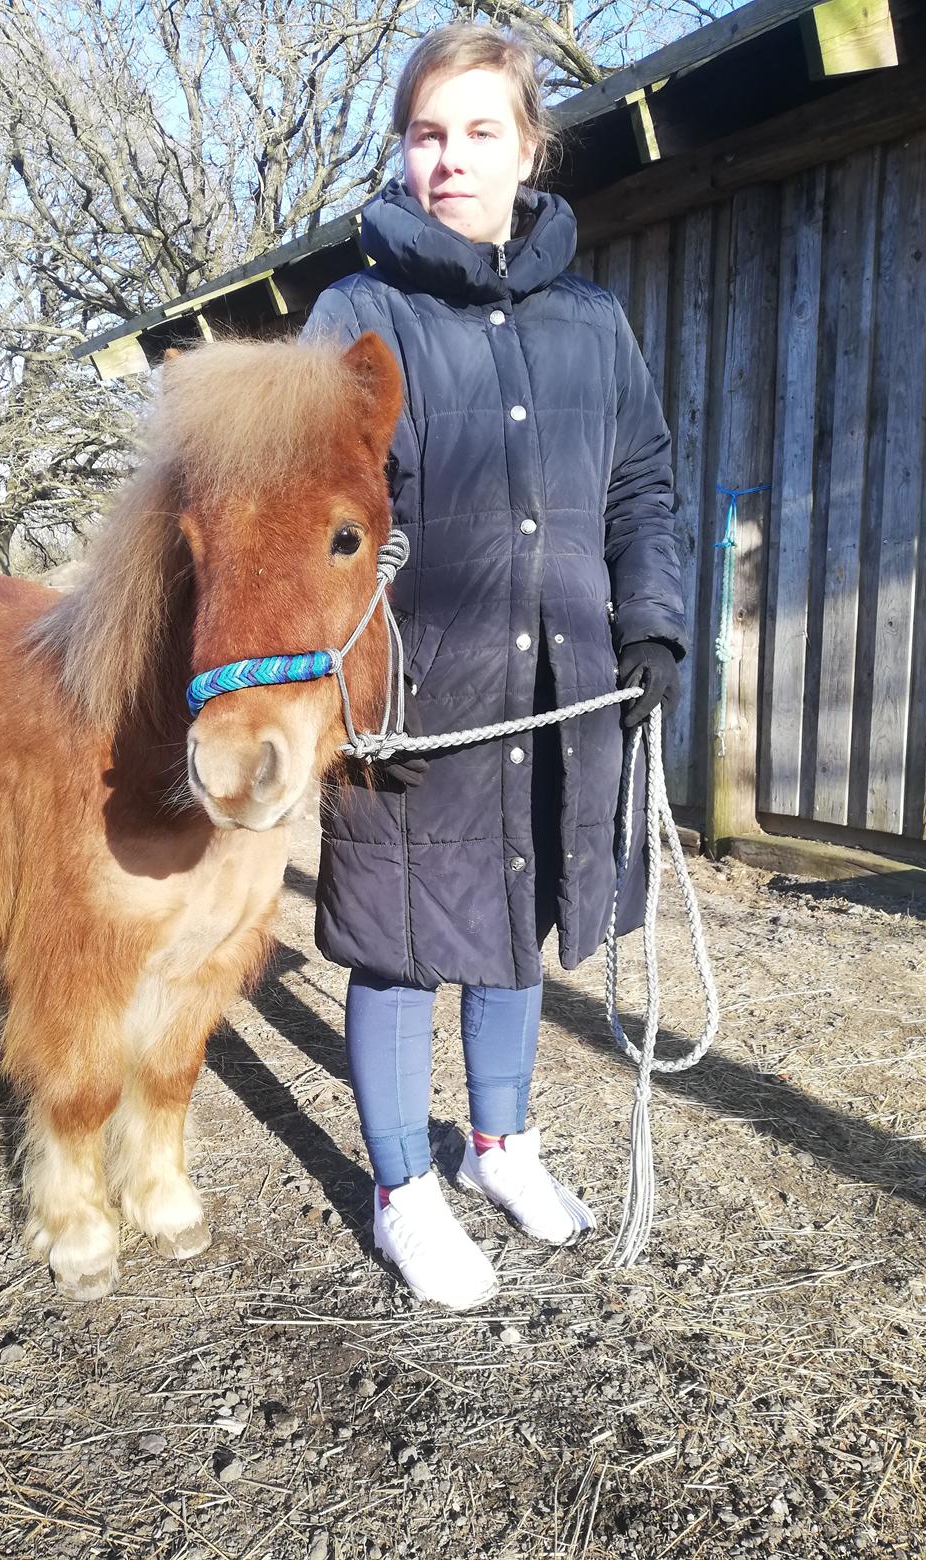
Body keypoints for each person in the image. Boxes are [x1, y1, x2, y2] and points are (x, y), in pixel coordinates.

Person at [303, 23, 686, 1310]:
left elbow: (640, 483)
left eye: (480, 132)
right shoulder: (358, 315)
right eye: (427, 133)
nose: (452, 158)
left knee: (518, 924)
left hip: (559, 689)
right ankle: (404, 1185)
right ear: (403, 152)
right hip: (414, 702)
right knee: (404, 946)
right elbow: (309, 509)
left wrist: (653, 624)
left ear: (530, 149)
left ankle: (501, 1143)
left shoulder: (593, 324)